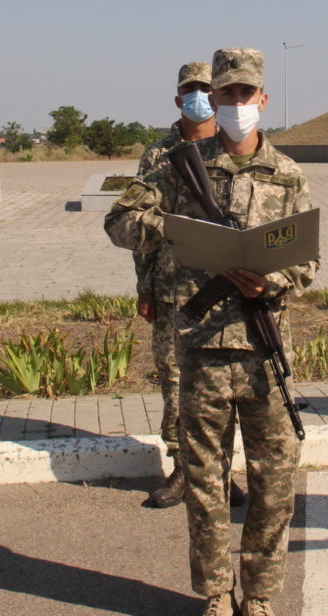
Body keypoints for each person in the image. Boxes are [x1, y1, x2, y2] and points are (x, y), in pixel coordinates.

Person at [105, 48, 317, 616]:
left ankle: (261, 595)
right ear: (213, 98)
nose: (235, 102)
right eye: (226, 93)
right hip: (201, 348)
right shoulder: (178, 166)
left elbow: (307, 259)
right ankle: (217, 594)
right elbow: (119, 222)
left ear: (263, 99)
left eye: (246, 93)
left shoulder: (286, 173)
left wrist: (271, 279)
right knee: (205, 482)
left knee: (274, 481)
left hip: (264, 348)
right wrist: (177, 230)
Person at [134, 60, 217, 508]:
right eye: (191, 89)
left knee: (218, 383)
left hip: (222, 289)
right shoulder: (157, 154)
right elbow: (141, 228)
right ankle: (182, 468)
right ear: (177, 98)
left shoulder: (230, 147)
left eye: (206, 88)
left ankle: (217, 472)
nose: (199, 96)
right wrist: (144, 287)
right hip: (170, 286)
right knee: (175, 379)